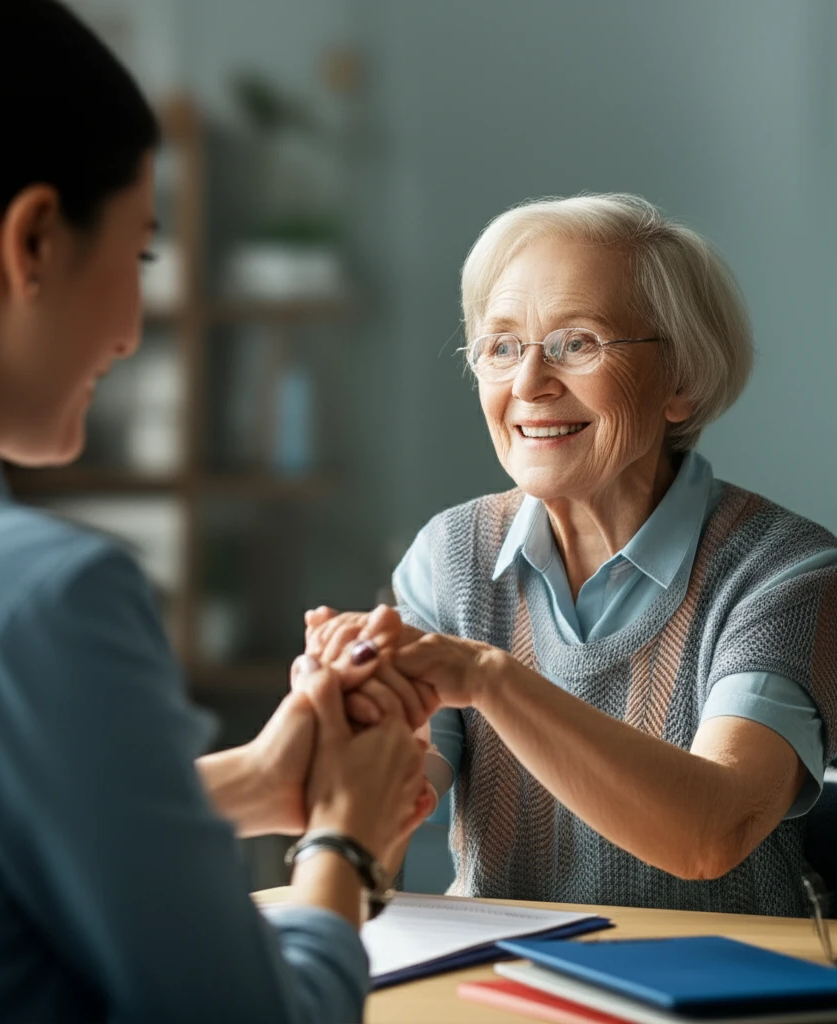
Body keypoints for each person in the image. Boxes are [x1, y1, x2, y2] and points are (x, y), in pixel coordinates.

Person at [0, 2, 432, 1021]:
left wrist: (249, 782)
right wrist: (341, 842)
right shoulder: (37, 599)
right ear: (36, 241)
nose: (133, 330)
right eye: (140, 254)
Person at [304, 193, 837, 916]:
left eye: (576, 343)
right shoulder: (449, 554)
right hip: (503, 985)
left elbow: (715, 830)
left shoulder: (786, 570)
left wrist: (489, 678)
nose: (528, 385)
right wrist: (349, 718)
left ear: (680, 380)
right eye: (501, 347)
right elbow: (391, 810)